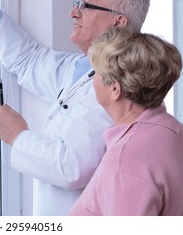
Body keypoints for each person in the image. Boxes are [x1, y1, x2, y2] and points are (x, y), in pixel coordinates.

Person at [0, 0, 152, 215]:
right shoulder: (82, 68)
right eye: (78, 2)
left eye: (86, 5)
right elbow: (28, 60)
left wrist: (18, 135)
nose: (74, 12)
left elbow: (73, 168)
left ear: (118, 22)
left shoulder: (120, 88)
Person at [69, 27, 183, 216]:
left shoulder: (125, 163)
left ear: (115, 88)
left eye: (95, 72)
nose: (92, 80)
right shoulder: (173, 131)